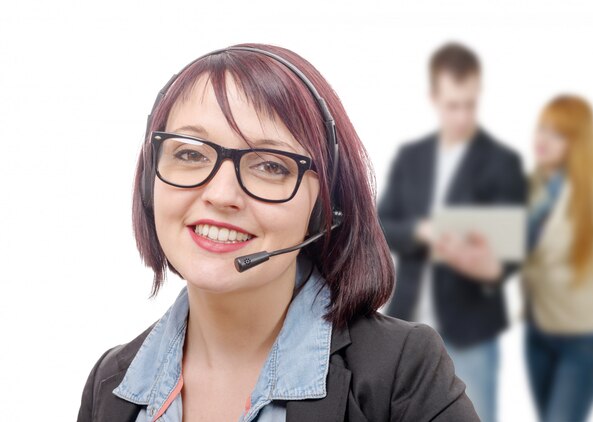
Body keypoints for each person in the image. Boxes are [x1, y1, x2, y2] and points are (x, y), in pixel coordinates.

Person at [76, 44, 479, 422]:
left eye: (270, 165)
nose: (221, 194)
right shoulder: (111, 385)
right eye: (191, 154)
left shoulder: (400, 371)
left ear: (324, 207)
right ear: (151, 179)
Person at [378, 42, 527, 422]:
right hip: (408, 325)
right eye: (452, 105)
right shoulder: (412, 159)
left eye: (469, 104)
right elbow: (382, 226)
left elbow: (510, 253)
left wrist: (484, 263)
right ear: (435, 98)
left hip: (471, 331)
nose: (461, 115)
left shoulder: (502, 163)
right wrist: (422, 232)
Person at [523, 94, 593, 422]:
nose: (542, 139)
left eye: (557, 133)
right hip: (539, 334)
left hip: (583, 340)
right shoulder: (531, 188)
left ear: (578, 143)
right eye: (542, 128)